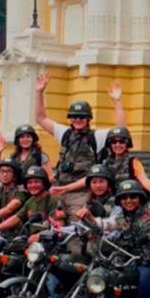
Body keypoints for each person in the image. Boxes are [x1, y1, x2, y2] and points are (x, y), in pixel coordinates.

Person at [34, 73, 126, 212]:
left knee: (75, 224)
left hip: (82, 193)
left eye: (82, 117)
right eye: (74, 117)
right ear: (70, 119)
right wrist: (39, 92)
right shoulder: (64, 133)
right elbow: (40, 118)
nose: (78, 120)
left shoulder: (96, 137)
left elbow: (120, 129)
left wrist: (117, 101)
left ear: (89, 119)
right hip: (59, 189)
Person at [57, 125, 150, 206]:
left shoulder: (133, 162)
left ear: (127, 144)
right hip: (116, 202)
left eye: (122, 141)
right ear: (109, 144)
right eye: (114, 142)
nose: (118, 144)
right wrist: (66, 188)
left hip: (132, 203)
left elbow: (144, 179)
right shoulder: (106, 163)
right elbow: (89, 179)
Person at [0, 165, 62, 238]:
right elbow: (16, 218)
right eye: (29, 182)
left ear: (44, 183)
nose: (33, 185)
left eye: (36, 182)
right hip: (32, 243)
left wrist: (39, 236)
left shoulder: (54, 200)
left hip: (49, 243)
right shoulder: (30, 201)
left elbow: (59, 227)